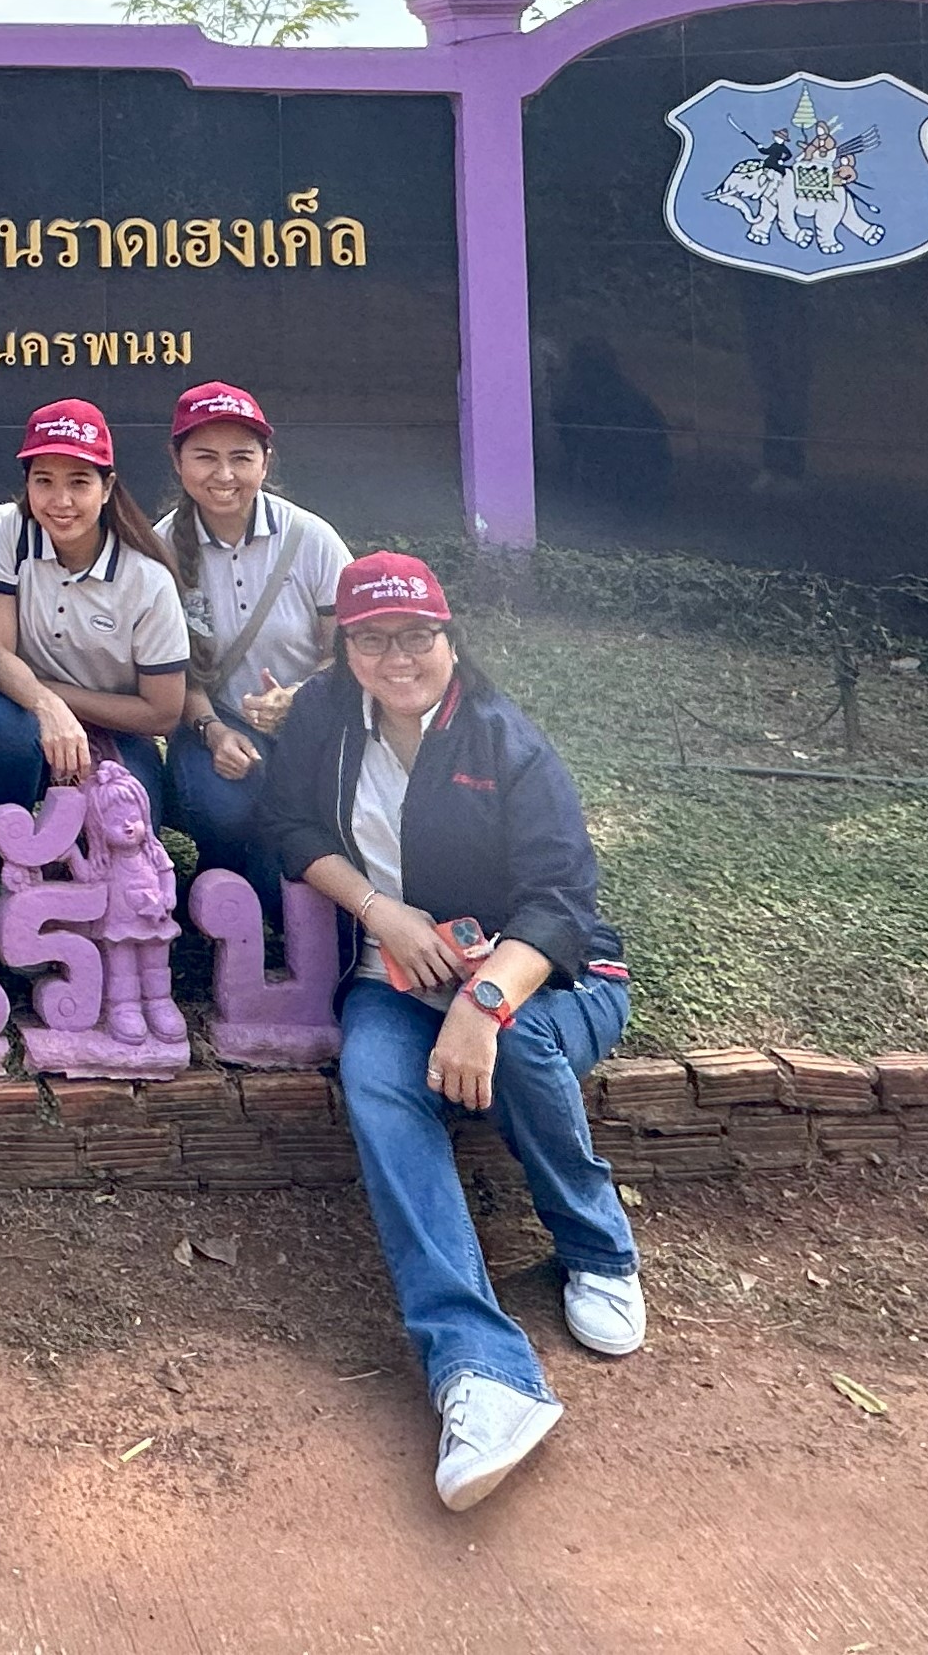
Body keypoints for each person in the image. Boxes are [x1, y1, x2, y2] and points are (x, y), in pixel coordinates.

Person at [259, 551, 643, 1512]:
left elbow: (560, 904)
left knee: (516, 1050)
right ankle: (480, 1371)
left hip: (548, 977)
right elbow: (290, 825)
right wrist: (378, 910)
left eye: (417, 635)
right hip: (400, 974)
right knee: (377, 1084)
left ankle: (597, 1248)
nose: (399, 657)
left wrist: (483, 1006)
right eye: (374, 638)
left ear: (447, 635)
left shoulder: (504, 739)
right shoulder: (322, 720)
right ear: (346, 648)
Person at [156, 381, 351, 902]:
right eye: (205, 457)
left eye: (241, 458)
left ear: (266, 461)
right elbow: (167, 671)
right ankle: (223, 880)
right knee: (220, 807)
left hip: (314, 725)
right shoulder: (158, 548)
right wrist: (215, 730)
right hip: (212, 722)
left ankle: (270, 873)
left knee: (289, 870)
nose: (224, 476)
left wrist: (300, 697)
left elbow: (350, 651)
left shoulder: (311, 539)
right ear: (178, 461)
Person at [0, 397, 190, 824]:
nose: (60, 500)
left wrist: (54, 697)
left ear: (106, 488)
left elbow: (162, 712)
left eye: (80, 482)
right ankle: (5, 866)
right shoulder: (7, 528)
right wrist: (45, 707)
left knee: (131, 826)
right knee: (1, 725)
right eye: (44, 480)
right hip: (24, 715)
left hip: (115, 729)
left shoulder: (147, 579)